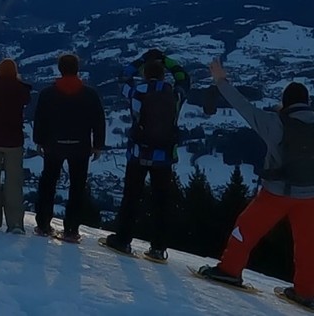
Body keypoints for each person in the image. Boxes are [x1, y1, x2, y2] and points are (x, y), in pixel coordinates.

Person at [199, 59, 314, 309]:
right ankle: (306, 291)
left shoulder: (275, 123)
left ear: (286, 102)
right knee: (307, 245)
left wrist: (221, 81)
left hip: (276, 193)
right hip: (310, 197)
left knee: (245, 229)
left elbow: (243, 106)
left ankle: (230, 269)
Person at [103, 57, 185, 262]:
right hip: (164, 156)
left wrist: (141, 59)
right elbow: (184, 79)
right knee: (161, 202)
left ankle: (123, 239)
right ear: (164, 74)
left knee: (131, 197)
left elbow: (122, 78)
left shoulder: (137, 92)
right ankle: (158, 247)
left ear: (145, 74)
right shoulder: (175, 95)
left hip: (138, 153)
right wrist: (168, 61)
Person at [33, 53, 106, 242]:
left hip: (54, 146)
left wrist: (39, 141)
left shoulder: (48, 94)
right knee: (77, 187)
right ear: (77, 69)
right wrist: (97, 145)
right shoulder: (90, 94)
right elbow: (99, 121)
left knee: (48, 184)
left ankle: (43, 224)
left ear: (59, 69)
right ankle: (71, 229)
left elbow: (40, 119)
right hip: (80, 147)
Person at [0, 58, 32, 233]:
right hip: (13, 140)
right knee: (14, 183)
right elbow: (26, 98)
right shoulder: (21, 90)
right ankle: (15, 223)